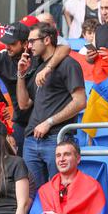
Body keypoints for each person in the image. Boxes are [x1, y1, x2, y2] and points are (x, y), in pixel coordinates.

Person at [0, 21, 71, 156]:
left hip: (45, 121)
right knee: (20, 167)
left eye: (12, 43)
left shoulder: (38, 54)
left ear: (25, 44)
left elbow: (65, 48)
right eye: (5, 42)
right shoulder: (2, 59)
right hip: (21, 121)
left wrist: (48, 68)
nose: (7, 46)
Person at [17, 22, 86, 190]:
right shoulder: (37, 67)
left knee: (60, 190)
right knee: (33, 193)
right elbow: (24, 104)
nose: (29, 46)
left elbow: (80, 102)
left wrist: (49, 122)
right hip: (32, 139)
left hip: (57, 138)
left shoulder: (68, 64)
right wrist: (20, 74)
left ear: (47, 39)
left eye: (32, 41)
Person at [26, 140, 107, 214]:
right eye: (58, 156)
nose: (62, 159)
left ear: (78, 159)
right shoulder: (45, 189)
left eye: (67, 154)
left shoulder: (93, 186)